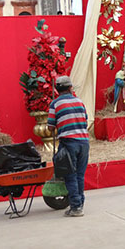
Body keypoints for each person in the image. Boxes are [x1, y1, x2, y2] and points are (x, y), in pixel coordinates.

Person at [47, 76, 90, 217]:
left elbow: (50, 127)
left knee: (70, 176)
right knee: (80, 175)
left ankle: (76, 207)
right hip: (84, 142)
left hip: (68, 143)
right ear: (70, 88)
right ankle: (80, 204)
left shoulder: (55, 104)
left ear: (57, 90)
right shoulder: (79, 102)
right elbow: (85, 120)